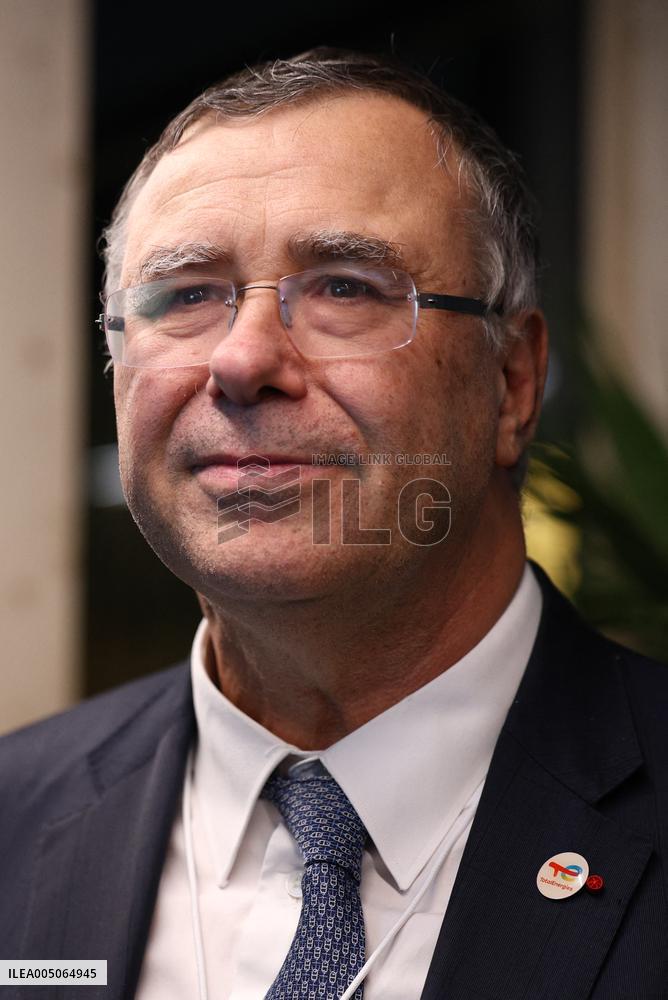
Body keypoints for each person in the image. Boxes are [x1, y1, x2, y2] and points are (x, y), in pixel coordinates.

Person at [1, 48, 667, 1000]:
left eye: (346, 287)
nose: (242, 360)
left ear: (512, 383)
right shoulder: (16, 816)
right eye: (184, 295)